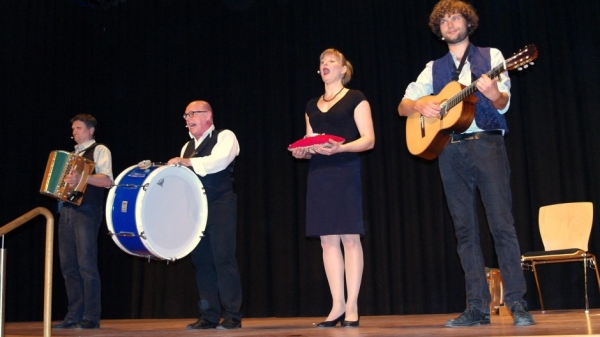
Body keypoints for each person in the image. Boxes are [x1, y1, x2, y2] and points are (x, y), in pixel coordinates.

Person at [398, 0, 535, 328]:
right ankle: (477, 307)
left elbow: (503, 104)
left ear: (468, 23)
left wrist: (492, 93)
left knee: (502, 225)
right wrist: (421, 105)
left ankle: (517, 303)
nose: (449, 24)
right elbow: (403, 106)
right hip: (449, 150)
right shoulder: (433, 69)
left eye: (455, 17)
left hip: (487, 145)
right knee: (465, 231)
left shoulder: (494, 58)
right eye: (443, 20)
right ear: (438, 29)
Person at [291, 48, 375, 328]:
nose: (325, 65)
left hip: (345, 170)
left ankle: (352, 306)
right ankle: (336, 305)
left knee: (350, 238)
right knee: (327, 241)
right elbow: (310, 140)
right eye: (322, 62)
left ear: (343, 70)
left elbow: (368, 140)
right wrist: (303, 152)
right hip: (320, 174)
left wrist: (340, 148)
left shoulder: (356, 98)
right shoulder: (311, 105)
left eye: (332, 62)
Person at [167, 100, 243, 330]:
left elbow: (219, 161)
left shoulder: (225, 136)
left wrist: (188, 162)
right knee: (202, 262)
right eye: (186, 115)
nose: (188, 119)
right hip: (196, 209)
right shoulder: (186, 147)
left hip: (221, 204)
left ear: (208, 115)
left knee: (223, 258)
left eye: (193, 114)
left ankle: (232, 315)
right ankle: (208, 316)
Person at [53, 114, 113, 330]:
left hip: (87, 211)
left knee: (86, 265)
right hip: (67, 211)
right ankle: (73, 315)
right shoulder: (71, 155)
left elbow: (107, 180)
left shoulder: (99, 150)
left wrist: (82, 178)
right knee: (68, 266)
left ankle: (90, 316)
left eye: (79, 128)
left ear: (91, 130)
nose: (74, 132)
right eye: (73, 128)